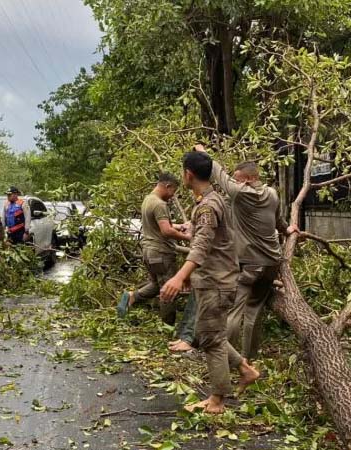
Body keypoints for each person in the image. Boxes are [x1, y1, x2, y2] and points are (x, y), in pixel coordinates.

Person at [160, 151, 259, 414]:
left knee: (211, 340)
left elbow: (201, 247)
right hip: (213, 279)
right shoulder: (213, 199)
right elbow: (209, 242)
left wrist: (179, 276)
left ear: (188, 174)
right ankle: (245, 370)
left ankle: (217, 401)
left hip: (217, 282)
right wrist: (192, 276)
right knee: (212, 334)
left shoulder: (207, 206)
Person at [195, 144, 298, 360]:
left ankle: (229, 360)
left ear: (250, 179)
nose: (235, 182)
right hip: (272, 262)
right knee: (254, 311)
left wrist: (203, 153)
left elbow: (218, 174)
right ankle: (249, 358)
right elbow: (278, 220)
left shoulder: (240, 193)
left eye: (238, 179)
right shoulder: (272, 193)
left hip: (250, 264)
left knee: (235, 311)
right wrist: (288, 229)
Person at [117, 172, 191, 323]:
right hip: (161, 253)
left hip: (149, 252)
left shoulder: (148, 199)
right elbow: (166, 231)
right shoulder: (160, 204)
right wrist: (188, 237)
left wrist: (180, 226)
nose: (173, 195)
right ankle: (167, 326)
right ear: (168, 186)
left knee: (156, 285)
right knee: (169, 291)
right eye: (173, 191)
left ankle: (131, 296)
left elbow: (160, 224)